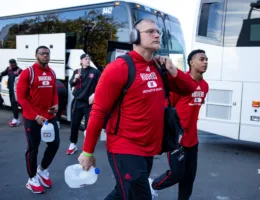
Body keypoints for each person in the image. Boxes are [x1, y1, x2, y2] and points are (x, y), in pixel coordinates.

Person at [77, 19, 197, 200]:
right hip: (125, 148)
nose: (157, 35)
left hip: (149, 149)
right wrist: (87, 152)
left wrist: (172, 68)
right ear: (134, 37)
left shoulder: (158, 68)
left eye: (158, 32)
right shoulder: (119, 67)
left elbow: (189, 88)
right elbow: (98, 111)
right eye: (150, 31)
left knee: (122, 193)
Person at [150, 49, 209, 200]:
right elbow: (169, 107)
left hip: (193, 141)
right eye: (201, 59)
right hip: (177, 139)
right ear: (192, 62)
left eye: (206, 59)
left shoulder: (205, 86)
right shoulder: (181, 83)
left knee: (188, 180)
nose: (205, 62)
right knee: (177, 174)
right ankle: (152, 185)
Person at [16, 46, 60, 194]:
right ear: (36, 56)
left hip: (49, 117)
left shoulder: (52, 72)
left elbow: (54, 92)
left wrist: (55, 104)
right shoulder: (28, 73)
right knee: (33, 149)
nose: (45, 56)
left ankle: (42, 170)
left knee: (54, 144)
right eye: (42, 53)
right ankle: (32, 179)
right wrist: (35, 116)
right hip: (32, 119)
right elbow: (21, 97)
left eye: (47, 53)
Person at [67, 54, 101, 155]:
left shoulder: (95, 72)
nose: (88, 60)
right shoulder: (77, 71)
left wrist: (95, 94)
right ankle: (73, 144)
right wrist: (75, 79)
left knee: (89, 126)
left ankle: (87, 147)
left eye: (89, 59)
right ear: (81, 61)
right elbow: (71, 83)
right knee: (74, 124)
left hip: (89, 103)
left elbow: (101, 85)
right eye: (85, 59)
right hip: (77, 102)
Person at [0, 59, 22, 126]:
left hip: (16, 91)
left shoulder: (19, 70)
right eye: (10, 64)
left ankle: (16, 119)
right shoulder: (9, 69)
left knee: (14, 104)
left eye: (12, 64)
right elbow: (3, 73)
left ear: (15, 63)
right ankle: (16, 118)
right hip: (10, 89)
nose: (11, 65)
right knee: (13, 104)